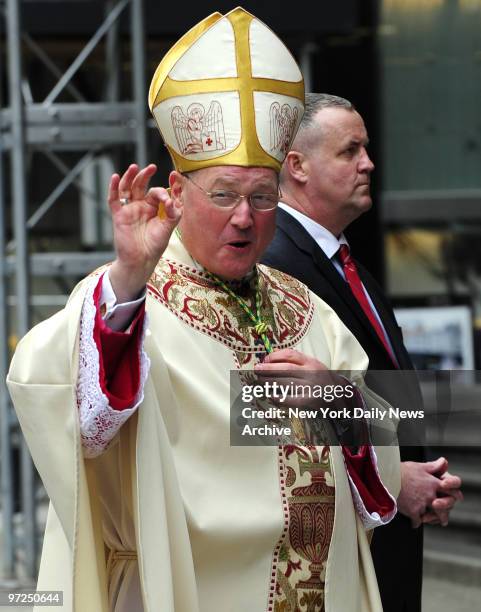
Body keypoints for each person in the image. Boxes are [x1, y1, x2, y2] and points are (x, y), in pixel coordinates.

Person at [7, 13, 400, 612]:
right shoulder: (129, 301)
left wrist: (336, 398)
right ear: (179, 190)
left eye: (262, 198)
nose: (244, 217)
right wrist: (129, 281)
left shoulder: (306, 309)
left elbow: (380, 436)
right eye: (223, 195)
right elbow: (74, 417)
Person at [262, 92, 464, 612]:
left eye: (366, 148)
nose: (368, 163)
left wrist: (421, 473)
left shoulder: (344, 259)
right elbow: (265, 411)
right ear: (297, 166)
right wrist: (395, 478)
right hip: (338, 540)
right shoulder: (274, 264)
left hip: (390, 522)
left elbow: (387, 381)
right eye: (350, 150)